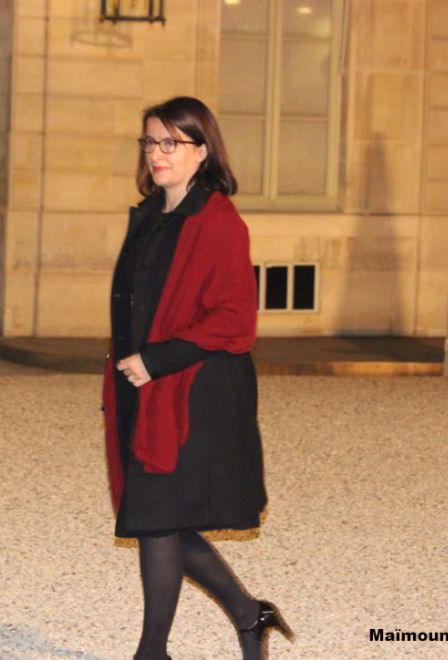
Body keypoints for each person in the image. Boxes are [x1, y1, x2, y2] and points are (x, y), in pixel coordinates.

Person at [102, 96, 293, 659]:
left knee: (157, 517)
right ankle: (246, 613)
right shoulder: (149, 214)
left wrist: (155, 359)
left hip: (193, 390)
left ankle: (151, 652)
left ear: (202, 150)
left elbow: (236, 320)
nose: (157, 154)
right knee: (156, 513)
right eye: (150, 142)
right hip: (143, 386)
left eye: (171, 143)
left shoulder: (217, 220)